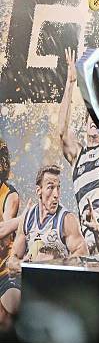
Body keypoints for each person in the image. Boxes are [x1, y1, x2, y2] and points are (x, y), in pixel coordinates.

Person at [59, 47, 99, 253]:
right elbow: (62, 131)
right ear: (84, 122)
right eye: (90, 116)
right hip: (89, 238)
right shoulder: (77, 156)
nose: (93, 120)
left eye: (97, 116)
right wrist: (70, 83)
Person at [8, 165, 88, 288]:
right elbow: (12, 259)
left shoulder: (67, 219)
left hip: (56, 286)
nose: (56, 194)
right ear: (38, 191)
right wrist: (19, 265)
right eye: (50, 187)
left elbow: (83, 254)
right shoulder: (27, 218)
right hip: (32, 286)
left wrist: (54, 265)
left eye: (58, 188)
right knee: (11, 298)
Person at [0, 140, 21, 328]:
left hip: (4, 273)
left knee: (10, 309)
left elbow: (4, 235)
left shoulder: (10, 195)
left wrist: (20, 220)